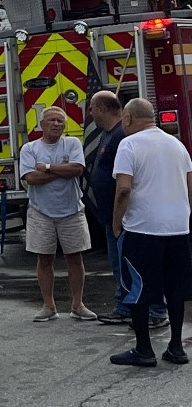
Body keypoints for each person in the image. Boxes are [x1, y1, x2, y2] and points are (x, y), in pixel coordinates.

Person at [109, 97, 192, 367]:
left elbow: (123, 189)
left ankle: (144, 349)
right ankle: (176, 347)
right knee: (175, 290)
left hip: (144, 229)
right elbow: (189, 186)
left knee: (138, 289)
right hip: (178, 229)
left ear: (129, 119)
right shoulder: (177, 145)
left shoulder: (129, 144)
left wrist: (116, 222)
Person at [88, 91, 168, 327]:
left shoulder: (122, 136)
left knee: (137, 266)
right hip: (111, 214)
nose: (90, 114)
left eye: (92, 108)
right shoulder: (109, 135)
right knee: (120, 266)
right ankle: (124, 307)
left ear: (102, 109)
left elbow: (126, 183)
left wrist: (119, 216)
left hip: (125, 216)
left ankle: (155, 310)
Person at [18, 105, 96, 322]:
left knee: (75, 257)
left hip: (72, 210)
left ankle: (78, 305)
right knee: (45, 259)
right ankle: (48, 306)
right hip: (40, 212)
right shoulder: (30, 149)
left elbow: (77, 170)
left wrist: (47, 167)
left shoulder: (72, 143)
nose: (55, 124)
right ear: (41, 124)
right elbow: (30, 178)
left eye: (60, 121)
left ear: (65, 125)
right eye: (51, 120)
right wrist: (61, 170)